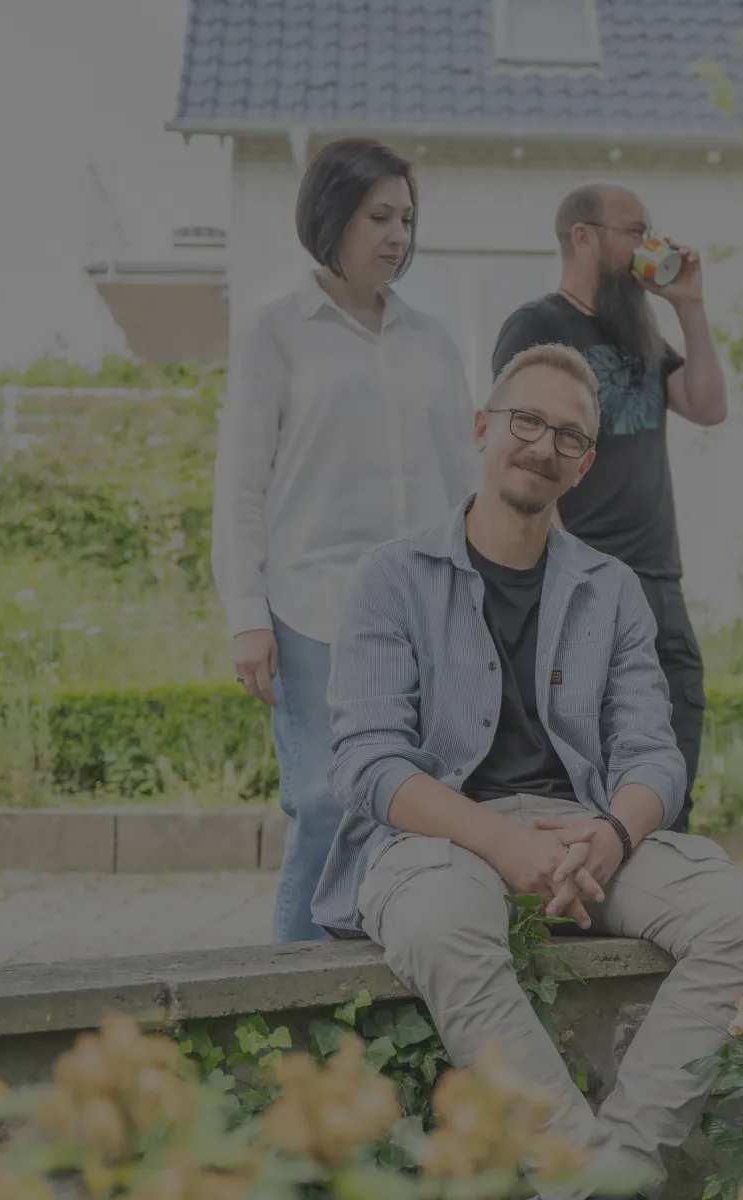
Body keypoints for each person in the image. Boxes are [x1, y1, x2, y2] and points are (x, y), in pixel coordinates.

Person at [311, 343, 743, 1198]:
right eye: (527, 421)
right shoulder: (393, 577)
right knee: (443, 923)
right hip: (442, 833)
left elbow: (651, 755)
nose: (542, 445)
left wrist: (610, 833)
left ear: (585, 464)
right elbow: (369, 763)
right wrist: (497, 840)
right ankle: (583, 1172)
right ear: (483, 427)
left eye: (568, 435)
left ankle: (612, 1168)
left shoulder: (614, 589)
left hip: (581, 830)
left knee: (740, 920)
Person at [211, 137, 478, 943]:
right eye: (379, 216)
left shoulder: (431, 337)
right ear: (332, 215)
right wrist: (246, 615)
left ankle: (378, 992)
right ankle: (287, 1009)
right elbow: (240, 486)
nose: (397, 234)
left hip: (427, 603)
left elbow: (465, 475)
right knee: (328, 800)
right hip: (310, 604)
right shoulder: (275, 334)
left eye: (407, 218)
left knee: (418, 802)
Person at [491, 182, 726, 833]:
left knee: (676, 732)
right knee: (588, 753)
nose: (650, 246)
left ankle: (668, 875)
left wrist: (690, 307)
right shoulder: (538, 324)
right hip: (583, 575)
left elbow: (708, 405)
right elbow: (519, 450)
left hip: (656, 576)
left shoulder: (641, 331)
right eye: (636, 231)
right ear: (584, 236)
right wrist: (560, 571)